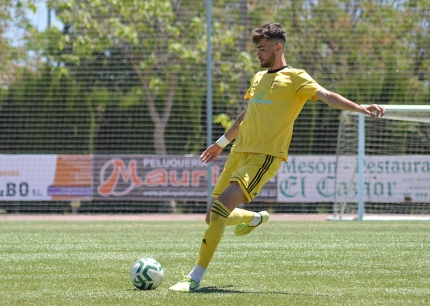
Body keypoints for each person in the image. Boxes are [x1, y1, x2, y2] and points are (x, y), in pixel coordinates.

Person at [169, 23, 386, 292]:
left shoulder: (296, 77)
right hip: (238, 152)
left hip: (265, 156)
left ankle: (194, 278)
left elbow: (328, 96)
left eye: (262, 49)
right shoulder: (258, 77)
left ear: (278, 47)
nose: (258, 53)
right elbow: (246, 115)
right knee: (212, 217)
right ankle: (253, 218)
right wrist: (221, 143)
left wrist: (361, 108)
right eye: (257, 48)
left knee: (220, 208)